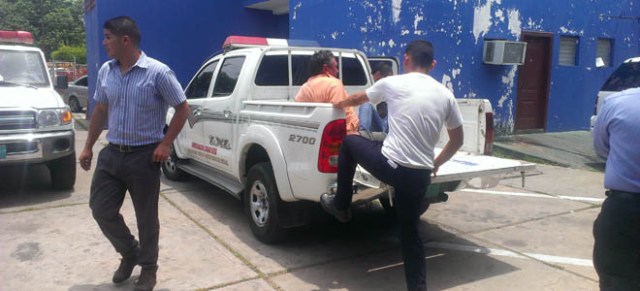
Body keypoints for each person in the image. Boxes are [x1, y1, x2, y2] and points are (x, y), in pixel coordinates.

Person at [320, 40, 463, 291]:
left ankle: (341, 205)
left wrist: (337, 105)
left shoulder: (392, 82)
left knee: (350, 143)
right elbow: (457, 140)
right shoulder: (446, 95)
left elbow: (357, 99)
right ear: (433, 64)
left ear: (406, 58)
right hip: (420, 177)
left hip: (392, 166)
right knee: (410, 234)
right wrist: (436, 164)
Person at [78, 16, 190, 291]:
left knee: (146, 218)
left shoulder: (158, 72)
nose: (104, 43)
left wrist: (165, 144)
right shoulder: (107, 70)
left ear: (124, 40)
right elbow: (101, 110)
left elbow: (183, 108)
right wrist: (88, 145)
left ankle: (149, 270)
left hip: (144, 157)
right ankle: (130, 252)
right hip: (112, 153)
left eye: (107, 37)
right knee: (101, 209)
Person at [592, 87, 640, 291]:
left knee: (617, 280)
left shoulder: (618, 103)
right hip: (623, 210)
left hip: (623, 211)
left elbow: (602, 149)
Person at [295, 50, 359, 135]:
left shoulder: (304, 88)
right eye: (336, 67)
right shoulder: (334, 84)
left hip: (315, 134)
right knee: (367, 106)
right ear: (326, 68)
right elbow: (339, 116)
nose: (337, 71)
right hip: (348, 133)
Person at [359, 63, 393, 133]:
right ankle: (363, 133)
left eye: (378, 81)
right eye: (376, 82)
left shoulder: (400, 90)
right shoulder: (377, 92)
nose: (377, 85)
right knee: (366, 105)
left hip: (393, 128)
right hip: (382, 125)